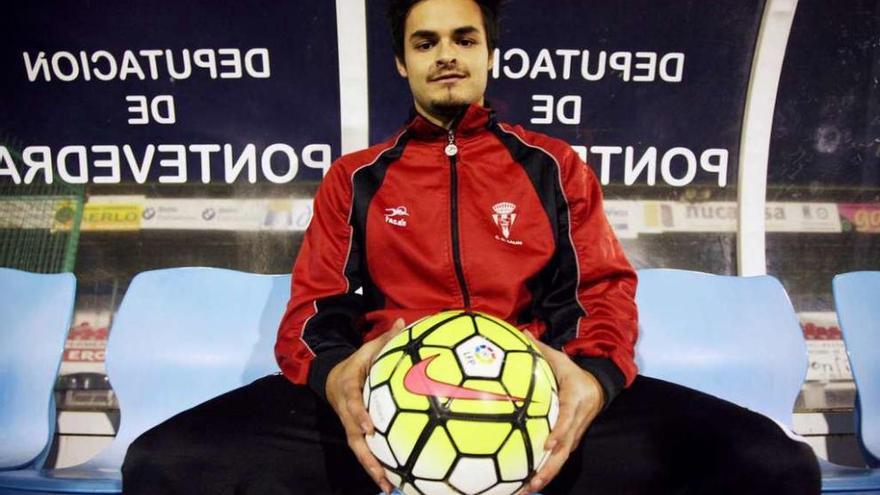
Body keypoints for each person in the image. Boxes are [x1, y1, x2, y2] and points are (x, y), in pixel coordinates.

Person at [122, 0, 821, 493]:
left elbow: (602, 292)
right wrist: (336, 379)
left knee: (774, 465)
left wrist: (594, 380)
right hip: (385, 415)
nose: (447, 55)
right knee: (165, 461)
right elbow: (314, 309)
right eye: (426, 42)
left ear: (489, 52)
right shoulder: (356, 177)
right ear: (401, 61)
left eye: (464, 37)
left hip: (533, 415)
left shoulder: (552, 166)